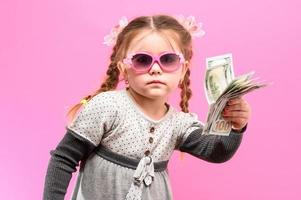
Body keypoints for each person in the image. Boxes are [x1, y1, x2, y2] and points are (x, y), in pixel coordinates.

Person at [43, 14, 251, 200]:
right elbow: (64, 159)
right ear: (124, 68)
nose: (155, 69)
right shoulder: (107, 107)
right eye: (142, 60)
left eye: (168, 59)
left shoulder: (179, 124)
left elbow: (217, 152)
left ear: (182, 70)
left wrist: (235, 127)